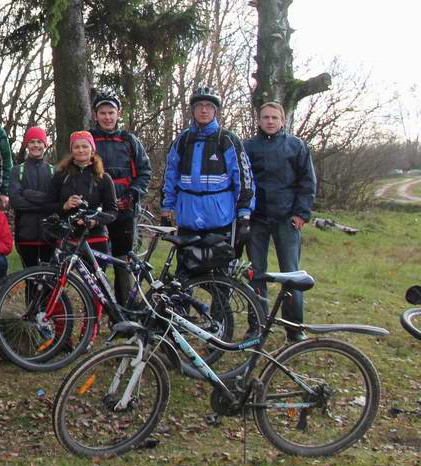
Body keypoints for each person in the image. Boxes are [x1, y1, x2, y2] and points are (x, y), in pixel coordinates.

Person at [244, 102, 317, 342]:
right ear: (259, 120)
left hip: (287, 219)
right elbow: (241, 180)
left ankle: (294, 329)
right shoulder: (248, 147)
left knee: (292, 273)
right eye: (265, 117)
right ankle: (257, 325)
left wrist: (301, 213)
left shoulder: (296, 146)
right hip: (256, 219)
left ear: (282, 121)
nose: (270, 121)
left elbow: (307, 182)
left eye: (274, 117)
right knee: (256, 273)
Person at [161, 86, 255, 267]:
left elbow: (243, 178)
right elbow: (170, 176)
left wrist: (244, 212)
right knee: (185, 271)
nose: (204, 110)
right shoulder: (182, 140)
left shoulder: (227, 139)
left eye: (209, 106)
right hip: (188, 218)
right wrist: (166, 208)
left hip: (220, 219)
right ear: (193, 110)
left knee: (219, 273)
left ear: (215, 110)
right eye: (199, 106)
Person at [89, 93, 152, 303]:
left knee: (123, 260)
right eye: (103, 113)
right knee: (96, 262)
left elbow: (144, 172)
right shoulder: (89, 140)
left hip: (125, 211)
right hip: (97, 212)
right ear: (95, 115)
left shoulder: (129, 141)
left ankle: (125, 308)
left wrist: (133, 194)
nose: (107, 117)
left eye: (111, 113)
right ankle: (97, 307)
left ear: (119, 114)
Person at [51, 131, 118, 259]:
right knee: (63, 272)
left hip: (96, 238)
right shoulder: (60, 176)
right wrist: (64, 206)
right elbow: (47, 205)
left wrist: (95, 221)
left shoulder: (103, 178)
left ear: (92, 150)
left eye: (85, 146)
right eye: (76, 147)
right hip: (67, 237)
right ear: (71, 151)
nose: (81, 150)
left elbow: (112, 212)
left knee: (94, 273)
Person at [8, 126, 59, 268]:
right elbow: (15, 201)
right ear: (26, 145)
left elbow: (56, 201)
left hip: (49, 234)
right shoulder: (17, 171)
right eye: (32, 142)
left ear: (45, 145)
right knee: (29, 276)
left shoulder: (54, 171)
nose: (36, 145)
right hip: (25, 233)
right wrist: (46, 204)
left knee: (48, 276)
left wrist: (27, 193)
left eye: (39, 142)